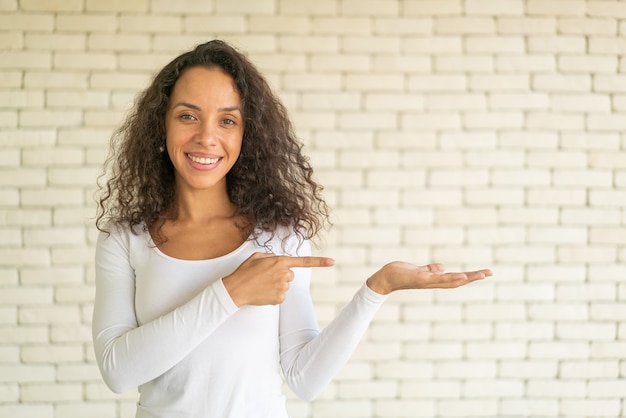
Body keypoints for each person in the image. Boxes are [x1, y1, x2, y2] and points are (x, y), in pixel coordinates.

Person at [92, 39, 492, 418]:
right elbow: (118, 370)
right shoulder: (125, 238)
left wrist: (377, 289)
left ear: (247, 135)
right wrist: (231, 292)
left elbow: (305, 378)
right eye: (187, 115)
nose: (206, 137)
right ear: (161, 125)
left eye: (227, 120)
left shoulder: (278, 237)